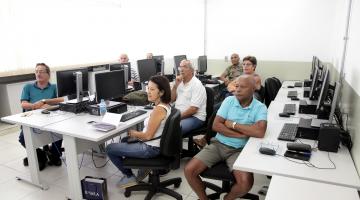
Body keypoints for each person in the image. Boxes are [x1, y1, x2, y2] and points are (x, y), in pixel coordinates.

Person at [184, 75, 267, 200]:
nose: (237, 90)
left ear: (253, 89)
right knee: (189, 170)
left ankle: (228, 198)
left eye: (242, 87)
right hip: (218, 144)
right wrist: (243, 133)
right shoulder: (229, 101)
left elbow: (260, 132)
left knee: (246, 183)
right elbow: (216, 126)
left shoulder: (260, 107)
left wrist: (232, 124)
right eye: (237, 86)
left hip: (240, 150)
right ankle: (203, 198)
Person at [106, 75, 172, 188]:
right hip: (156, 145)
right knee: (125, 140)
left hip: (150, 148)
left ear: (161, 92)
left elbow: (148, 136)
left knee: (110, 148)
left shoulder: (159, 110)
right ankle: (144, 167)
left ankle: (129, 176)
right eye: (148, 88)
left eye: (152, 89)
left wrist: (134, 133)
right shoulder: (165, 105)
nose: (148, 92)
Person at [19, 63, 65, 170]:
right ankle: (40, 155)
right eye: (36, 71)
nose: (38, 73)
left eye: (41, 71)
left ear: (48, 74)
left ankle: (55, 155)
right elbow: (23, 104)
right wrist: (35, 106)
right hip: (32, 119)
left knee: (59, 132)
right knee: (22, 139)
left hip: (50, 117)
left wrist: (45, 102)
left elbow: (63, 99)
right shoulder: (28, 87)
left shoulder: (54, 87)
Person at [171, 59, 207, 135]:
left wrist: (175, 118)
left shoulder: (197, 85)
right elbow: (172, 100)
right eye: (180, 67)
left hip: (195, 117)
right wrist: (175, 86)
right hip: (180, 114)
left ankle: (173, 146)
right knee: (161, 125)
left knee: (174, 130)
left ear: (192, 71)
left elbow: (193, 110)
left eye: (185, 67)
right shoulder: (179, 82)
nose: (181, 69)